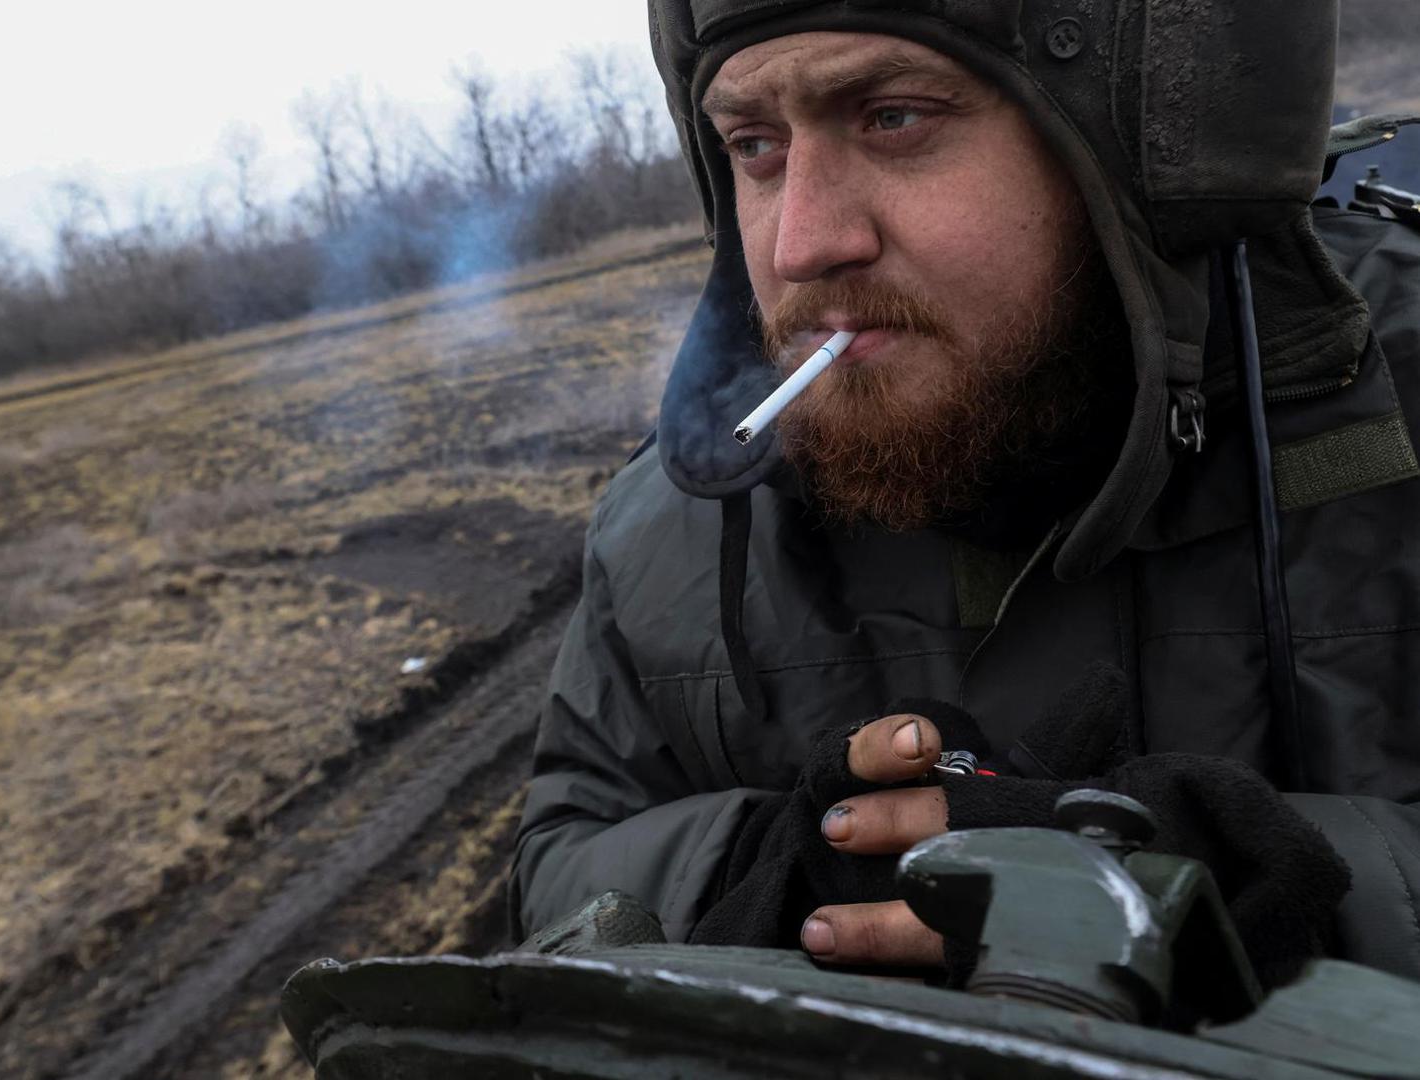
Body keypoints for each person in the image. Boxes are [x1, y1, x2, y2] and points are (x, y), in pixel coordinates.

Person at [511, 0, 1420, 984]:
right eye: (756, 144)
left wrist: (1290, 898)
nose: (801, 245)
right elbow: (561, 864)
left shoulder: (1393, 405)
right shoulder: (674, 531)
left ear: (1128, 149)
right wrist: (768, 872)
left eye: (893, 117)